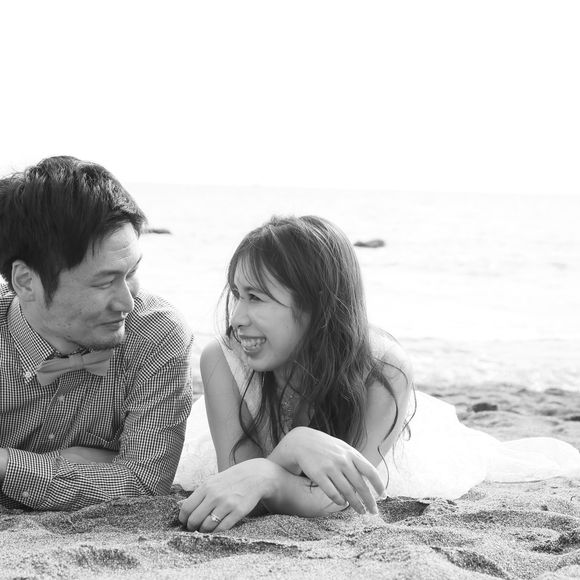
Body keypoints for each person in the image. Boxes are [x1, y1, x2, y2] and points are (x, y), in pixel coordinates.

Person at [176, 215, 580, 533]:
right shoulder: (223, 360)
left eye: (256, 297)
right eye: (237, 294)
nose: (237, 318)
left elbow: (340, 499)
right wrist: (289, 451)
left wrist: (273, 466)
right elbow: (236, 482)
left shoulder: (384, 370)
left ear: (316, 305)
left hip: (386, 458)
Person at [0, 156, 194, 511]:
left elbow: (145, 483)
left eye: (131, 272)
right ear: (26, 281)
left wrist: (5, 464)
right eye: (104, 282)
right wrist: (86, 466)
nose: (127, 302)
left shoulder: (156, 335)